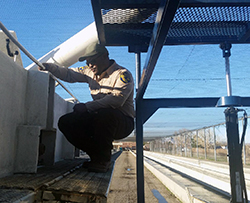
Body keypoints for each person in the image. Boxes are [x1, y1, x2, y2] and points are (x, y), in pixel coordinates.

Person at [38, 42, 135, 172]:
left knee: (105, 114)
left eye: (93, 61)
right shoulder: (90, 72)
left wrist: (87, 106)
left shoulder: (122, 75)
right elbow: (69, 74)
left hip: (122, 122)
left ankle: (103, 160)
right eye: (88, 62)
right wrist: (49, 67)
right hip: (100, 119)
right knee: (66, 122)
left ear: (105, 56)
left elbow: (116, 100)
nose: (90, 65)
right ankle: (96, 157)